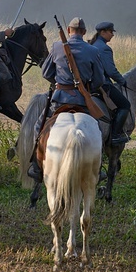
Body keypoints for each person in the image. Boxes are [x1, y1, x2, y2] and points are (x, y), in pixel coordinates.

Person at [27, 17, 106, 182]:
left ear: (69, 30)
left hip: (59, 100)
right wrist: (85, 89)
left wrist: (59, 83)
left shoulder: (57, 47)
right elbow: (99, 80)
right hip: (83, 102)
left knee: (39, 126)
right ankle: (98, 168)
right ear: (84, 32)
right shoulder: (93, 51)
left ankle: (35, 165)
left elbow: (46, 73)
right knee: (97, 130)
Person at [89, 21, 131, 145]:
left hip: (90, 85)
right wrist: (122, 81)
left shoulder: (93, 45)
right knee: (125, 105)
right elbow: (111, 71)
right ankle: (115, 135)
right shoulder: (104, 48)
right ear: (103, 32)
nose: (112, 34)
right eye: (111, 32)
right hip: (103, 84)